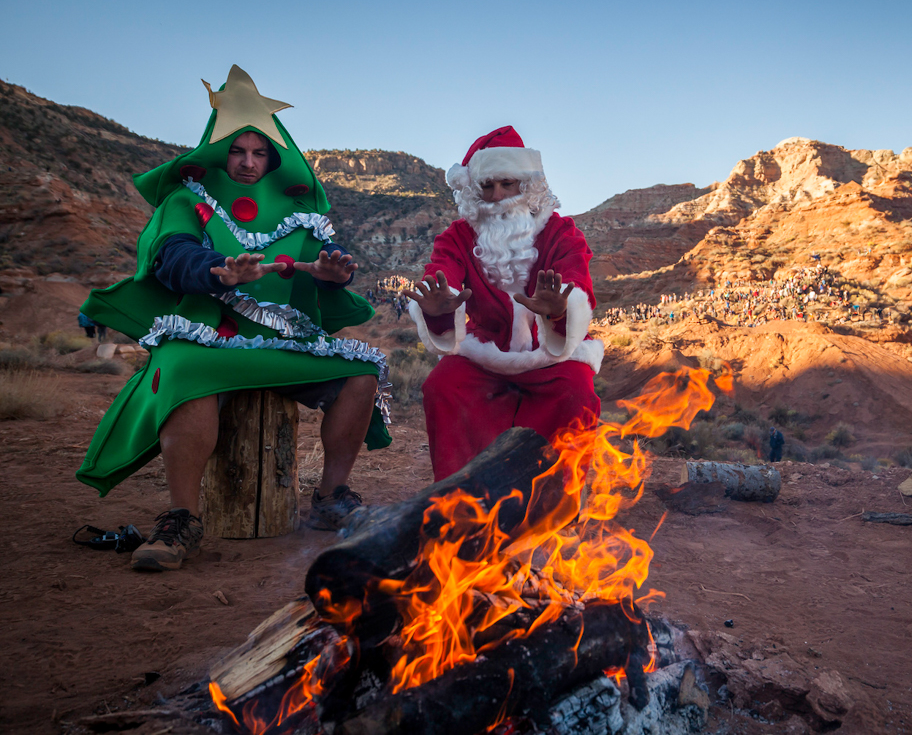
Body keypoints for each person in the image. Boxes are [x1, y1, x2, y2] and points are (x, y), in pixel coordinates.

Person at [77, 66, 392, 571]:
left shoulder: (298, 210)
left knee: (361, 373)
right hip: (208, 337)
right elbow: (172, 256)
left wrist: (335, 275)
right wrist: (217, 271)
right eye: (237, 150)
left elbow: (325, 264)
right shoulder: (188, 198)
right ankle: (181, 521)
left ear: (274, 156)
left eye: (259, 152)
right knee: (185, 369)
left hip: (284, 341)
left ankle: (331, 499)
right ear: (218, 150)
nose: (248, 162)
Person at [405, 126, 602, 481]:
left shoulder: (561, 233)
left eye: (507, 184)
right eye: (487, 186)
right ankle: (460, 495)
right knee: (442, 386)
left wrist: (559, 310)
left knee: (576, 390)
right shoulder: (457, 237)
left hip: (551, 353)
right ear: (473, 190)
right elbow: (442, 276)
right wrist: (439, 310)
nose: (496, 196)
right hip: (485, 352)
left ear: (526, 186)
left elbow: (577, 285)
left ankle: (556, 496)